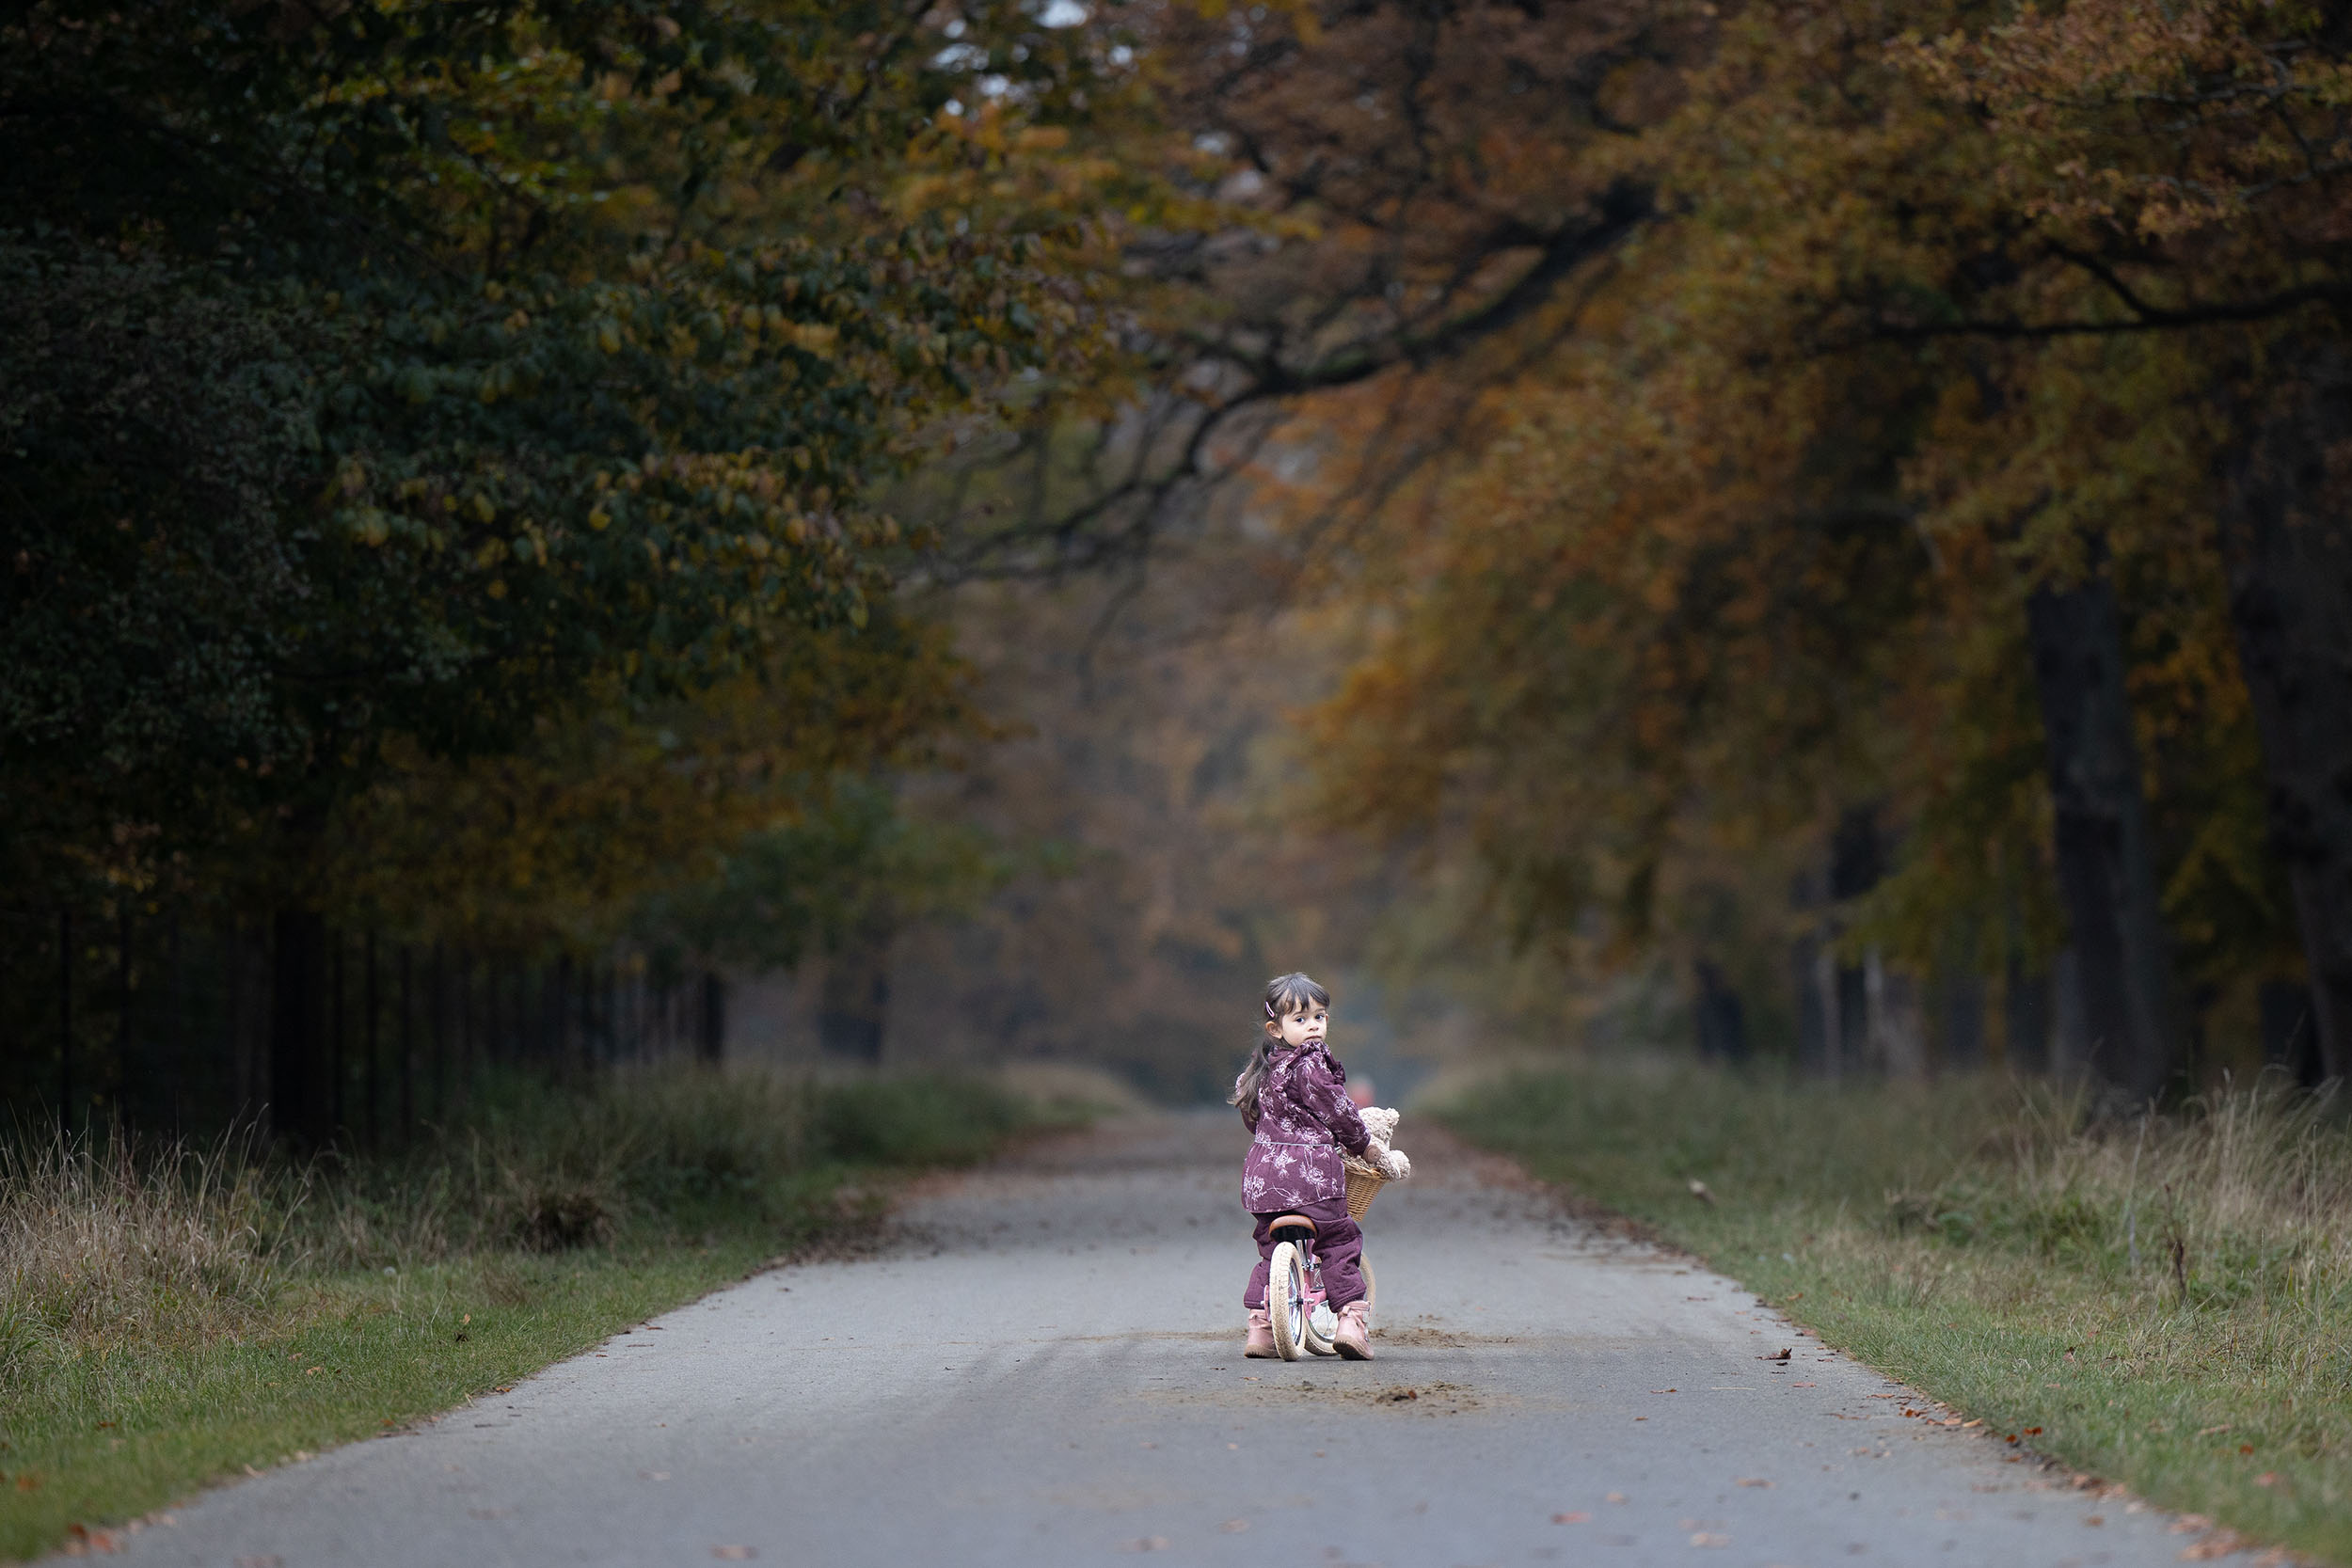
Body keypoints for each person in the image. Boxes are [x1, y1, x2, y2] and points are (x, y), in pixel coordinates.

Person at [1231, 972, 1406, 1359]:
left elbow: (1253, 1118)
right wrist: (1366, 1148)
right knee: (1340, 1240)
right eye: (1300, 1019)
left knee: (1269, 1249)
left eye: (1320, 1017)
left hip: (1263, 1181)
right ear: (1275, 1029)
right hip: (1311, 1180)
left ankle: (1261, 1328)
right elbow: (1341, 1112)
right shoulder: (1312, 1066)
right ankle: (1349, 1321)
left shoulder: (1257, 1072)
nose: (1313, 1026)